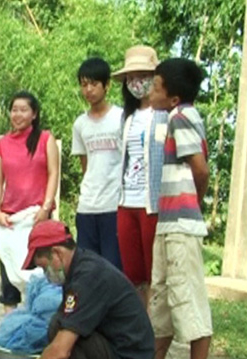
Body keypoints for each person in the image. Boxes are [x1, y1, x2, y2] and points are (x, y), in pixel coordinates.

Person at [23, 221, 154, 359]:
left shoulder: (88, 277)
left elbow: (60, 351)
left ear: (57, 253)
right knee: (58, 325)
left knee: (65, 337)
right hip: (120, 351)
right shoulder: (80, 267)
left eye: (44, 267)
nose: (46, 274)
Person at [147, 58, 211, 359]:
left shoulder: (182, 117)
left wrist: (194, 203)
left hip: (181, 225)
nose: (151, 91)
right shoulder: (176, 116)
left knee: (187, 298)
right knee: (161, 299)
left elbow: (200, 169)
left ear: (173, 98)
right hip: (167, 222)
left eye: (156, 86)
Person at [0, 91, 59, 313]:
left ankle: (43, 321)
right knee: (9, 279)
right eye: (14, 109)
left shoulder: (45, 139)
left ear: (34, 114)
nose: (17, 114)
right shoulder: (2, 144)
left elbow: (53, 173)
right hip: (10, 220)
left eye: (23, 110)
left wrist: (46, 208)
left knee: (42, 275)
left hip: (38, 218)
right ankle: (10, 326)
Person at [112, 46, 168, 308]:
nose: (137, 82)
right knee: (132, 274)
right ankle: (140, 323)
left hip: (153, 204)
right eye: (131, 77)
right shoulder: (128, 117)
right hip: (127, 202)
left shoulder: (165, 115)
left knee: (154, 271)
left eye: (143, 76)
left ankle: (156, 328)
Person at [71, 57, 123, 270]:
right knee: (88, 268)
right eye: (84, 85)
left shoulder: (121, 117)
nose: (89, 90)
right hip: (87, 206)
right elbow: (86, 165)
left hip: (115, 205)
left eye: (94, 84)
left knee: (113, 268)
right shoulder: (80, 124)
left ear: (106, 85)